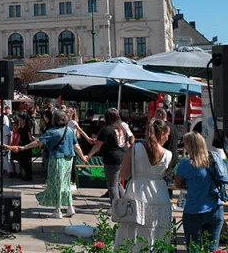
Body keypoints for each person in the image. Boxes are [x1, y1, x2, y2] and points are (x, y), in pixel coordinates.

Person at [10, 110, 87, 219]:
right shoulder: (69, 130)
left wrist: (25, 147)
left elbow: (39, 142)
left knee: (56, 184)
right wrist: (83, 157)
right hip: (69, 160)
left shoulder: (52, 131)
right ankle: (70, 207)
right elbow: (76, 145)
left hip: (56, 159)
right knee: (66, 184)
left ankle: (58, 210)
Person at [114, 119, 172, 251]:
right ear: (162, 133)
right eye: (167, 134)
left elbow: (124, 175)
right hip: (160, 197)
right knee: (157, 234)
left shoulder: (134, 149)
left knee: (132, 233)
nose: (168, 138)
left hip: (137, 194)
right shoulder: (168, 154)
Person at [175, 132, 224, 252]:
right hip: (215, 210)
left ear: (190, 146)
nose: (184, 147)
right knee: (212, 249)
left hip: (193, 212)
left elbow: (177, 183)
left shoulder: (186, 164)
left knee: (194, 249)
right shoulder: (215, 159)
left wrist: (191, 185)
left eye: (185, 144)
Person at [86, 108, 129, 208]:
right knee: (117, 183)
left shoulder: (106, 129)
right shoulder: (122, 129)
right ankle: (125, 203)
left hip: (111, 159)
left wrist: (89, 155)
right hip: (122, 157)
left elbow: (98, 145)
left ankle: (116, 207)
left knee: (112, 185)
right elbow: (126, 144)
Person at [12, 113, 34, 181]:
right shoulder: (20, 128)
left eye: (20, 120)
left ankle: (28, 176)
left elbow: (30, 137)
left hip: (27, 145)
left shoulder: (27, 127)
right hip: (22, 145)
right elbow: (19, 137)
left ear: (24, 120)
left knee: (27, 162)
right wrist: (16, 145)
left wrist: (33, 143)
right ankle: (26, 174)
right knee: (21, 161)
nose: (19, 121)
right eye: (19, 120)